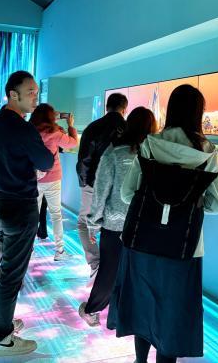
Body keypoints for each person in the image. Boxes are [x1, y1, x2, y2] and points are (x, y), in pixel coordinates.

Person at [108, 85, 218, 363]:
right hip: (184, 247)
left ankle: (140, 360)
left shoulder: (150, 144)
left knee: (142, 303)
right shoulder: (207, 153)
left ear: (170, 110)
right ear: (199, 113)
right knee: (172, 312)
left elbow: (127, 193)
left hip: (142, 240)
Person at [0, 71, 54, 356]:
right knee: (11, 275)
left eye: (36, 91)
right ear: (13, 94)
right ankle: (1, 337)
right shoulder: (22, 128)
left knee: (7, 271)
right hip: (19, 208)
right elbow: (45, 161)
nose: (36, 97)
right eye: (30, 92)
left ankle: (3, 323)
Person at [78, 107, 158, 327]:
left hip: (115, 223)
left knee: (109, 271)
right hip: (145, 224)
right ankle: (130, 316)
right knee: (138, 272)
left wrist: (93, 223)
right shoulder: (156, 155)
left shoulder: (115, 153)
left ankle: (92, 310)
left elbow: (101, 190)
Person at [76, 92, 127, 277]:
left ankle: (96, 264)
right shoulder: (128, 128)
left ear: (107, 106)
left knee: (84, 224)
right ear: (124, 109)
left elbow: (84, 159)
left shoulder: (93, 127)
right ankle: (117, 267)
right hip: (120, 188)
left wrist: (84, 183)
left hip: (93, 184)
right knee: (115, 226)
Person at [29, 103, 78, 261]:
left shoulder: (30, 131)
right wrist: (70, 125)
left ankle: (29, 250)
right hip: (53, 178)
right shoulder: (54, 132)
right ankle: (59, 251)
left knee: (33, 215)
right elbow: (73, 143)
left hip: (34, 178)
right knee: (56, 215)